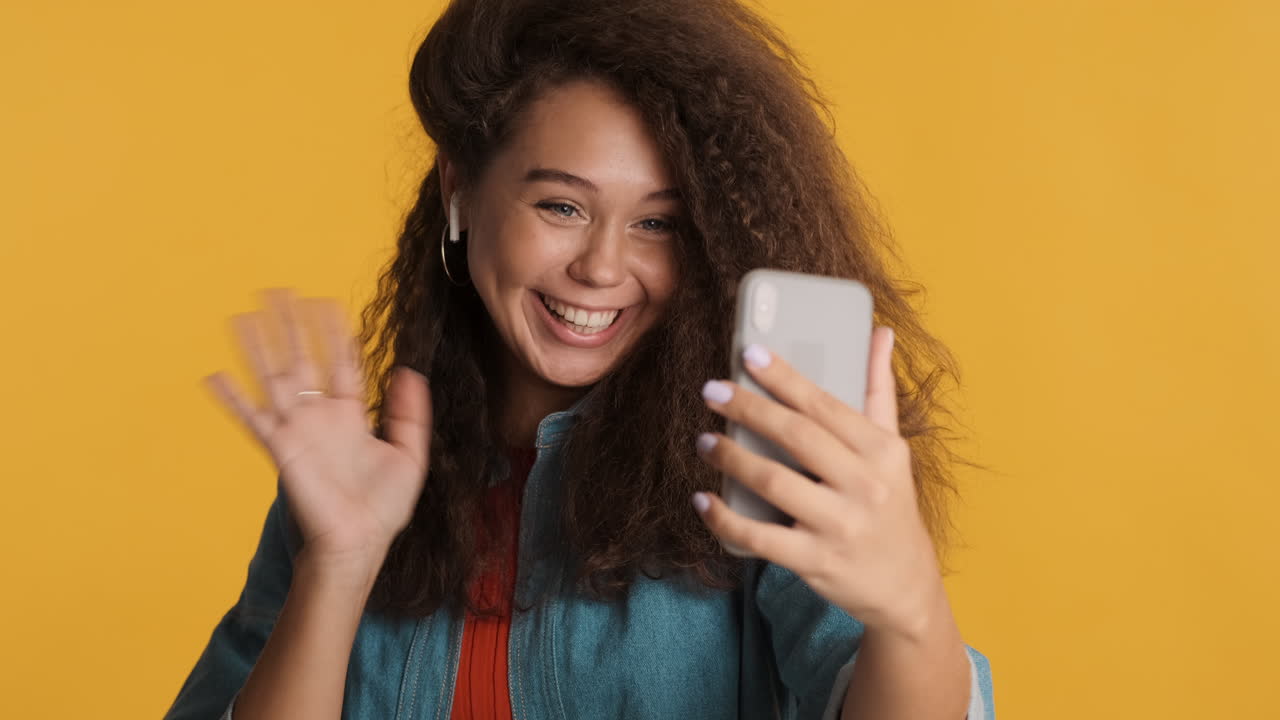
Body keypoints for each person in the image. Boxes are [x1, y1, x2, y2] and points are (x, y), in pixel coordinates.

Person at [163, 0, 996, 718]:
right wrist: (337, 568)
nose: (602, 268)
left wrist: (911, 614)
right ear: (459, 186)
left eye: (657, 223)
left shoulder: (758, 468)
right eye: (562, 205)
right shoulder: (352, 478)